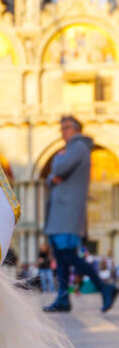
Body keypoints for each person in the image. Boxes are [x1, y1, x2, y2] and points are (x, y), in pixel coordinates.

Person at [44, 115, 117, 313]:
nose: (62, 133)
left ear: (76, 129)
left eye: (65, 128)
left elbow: (59, 168)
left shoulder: (78, 148)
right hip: (61, 215)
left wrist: (59, 157)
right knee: (61, 258)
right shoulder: (73, 149)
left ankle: (105, 287)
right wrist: (52, 177)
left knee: (68, 256)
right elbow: (52, 176)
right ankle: (63, 299)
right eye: (61, 128)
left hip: (67, 214)